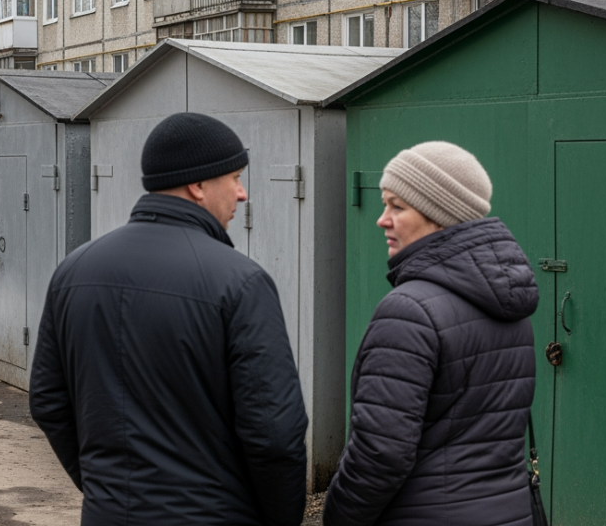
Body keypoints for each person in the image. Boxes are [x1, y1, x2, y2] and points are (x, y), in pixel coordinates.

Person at [30, 112, 309, 526]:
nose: (242, 193)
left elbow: (48, 401)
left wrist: (105, 487)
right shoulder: (240, 282)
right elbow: (274, 434)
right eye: (235, 178)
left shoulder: (74, 271)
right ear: (198, 185)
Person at [324, 141, 538, 526]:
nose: (382, 219)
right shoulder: (509, 304)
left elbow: (380, 454)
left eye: (397, 206)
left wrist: (337, 517)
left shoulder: (408, 310)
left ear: (440, 214)